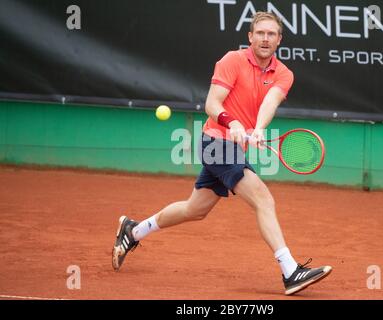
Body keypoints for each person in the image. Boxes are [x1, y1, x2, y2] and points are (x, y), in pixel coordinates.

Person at [112, 11, 332, 295]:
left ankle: (133, 231)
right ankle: (290, 271)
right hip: (215, 142)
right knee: (263, 199)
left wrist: (259, 129)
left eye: (272, 34)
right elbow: (212, 103)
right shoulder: (232, 61)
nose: (265, 39)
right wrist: (235, 122)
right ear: (250, 37)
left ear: (279, 40)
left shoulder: (284, 74)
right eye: (260, 33)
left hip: (236, 146)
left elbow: (270, 103)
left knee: (195, 209)